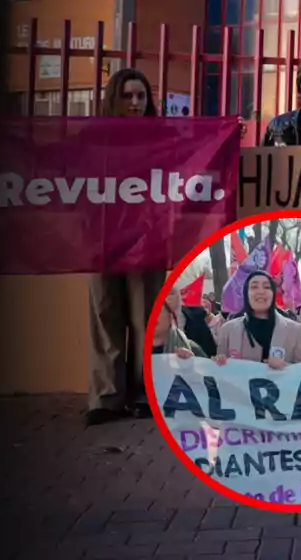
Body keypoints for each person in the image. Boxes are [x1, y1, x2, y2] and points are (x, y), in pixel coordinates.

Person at [85, 68, 168, 426]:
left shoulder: (163, 138)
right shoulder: (93, 137)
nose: (135, 102)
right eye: (128, 96)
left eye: (141, 96)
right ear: (113, 98)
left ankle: (144, 394)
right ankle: (106, 397)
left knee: (146, 317)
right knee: (105, 314)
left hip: (147, 238)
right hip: (101, 238)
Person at [213, 272, 301, 367]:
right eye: (254, 287)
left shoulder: (295, 330)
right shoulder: (228, 329)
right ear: (246, 294)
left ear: (273, 294)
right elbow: (220, 376)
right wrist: (218, 363)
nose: (261, 291)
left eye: (266, 287)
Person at [150, 289, 208, 359]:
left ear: (170, 316)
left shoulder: (192, 348)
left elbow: (209, 368)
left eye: (158, 311)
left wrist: (192, 363)